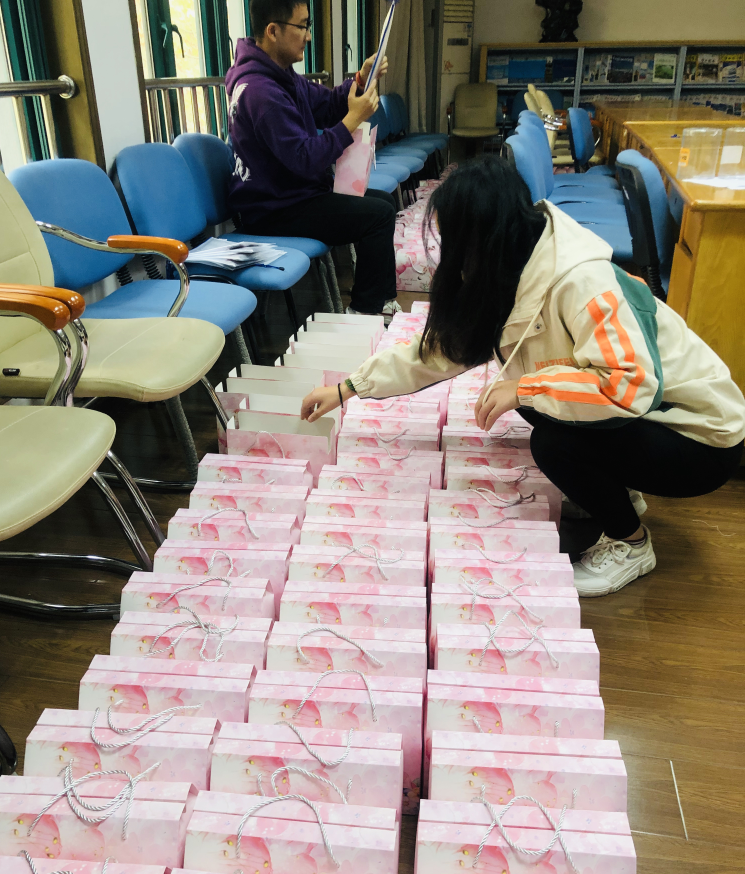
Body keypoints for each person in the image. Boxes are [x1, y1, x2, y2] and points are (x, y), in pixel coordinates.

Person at [301, 157, 745, 597]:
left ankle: (631, 543)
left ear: (483, 236)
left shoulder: (582, 281)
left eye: (455, 241)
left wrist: (526, 387)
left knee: (550, 439)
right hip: (650, 418)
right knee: (531, 403)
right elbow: (442, 350)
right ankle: (616, 491)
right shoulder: (510, 264)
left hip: (699, 440)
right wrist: (349, 387)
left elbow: (629, 386)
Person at [225, 0, 400, 319]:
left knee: (383, 203)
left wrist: (360, 80)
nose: (308, 35)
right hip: (274, 211)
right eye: (302, 26)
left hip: (294, 196)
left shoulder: (281, 76)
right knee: (377, 215)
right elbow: (305, 159)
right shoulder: (260, 91)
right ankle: (363, 313)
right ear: (273, 30)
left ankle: (380, 299)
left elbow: (328, 104)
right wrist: (353, 119)